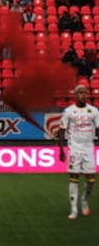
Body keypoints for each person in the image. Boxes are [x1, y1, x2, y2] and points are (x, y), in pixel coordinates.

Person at [58, 84, 99, 219]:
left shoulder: (93, 111)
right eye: (81, 93)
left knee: (91, 179)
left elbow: (98, 128)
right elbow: (62, 130)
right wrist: (62, 150)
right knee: (74, 177)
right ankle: (74, 210)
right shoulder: (69, 111)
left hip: (88, 148)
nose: (84, 95)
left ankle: (84, 199)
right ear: (75, 95)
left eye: (85, 93)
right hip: (74, 148)